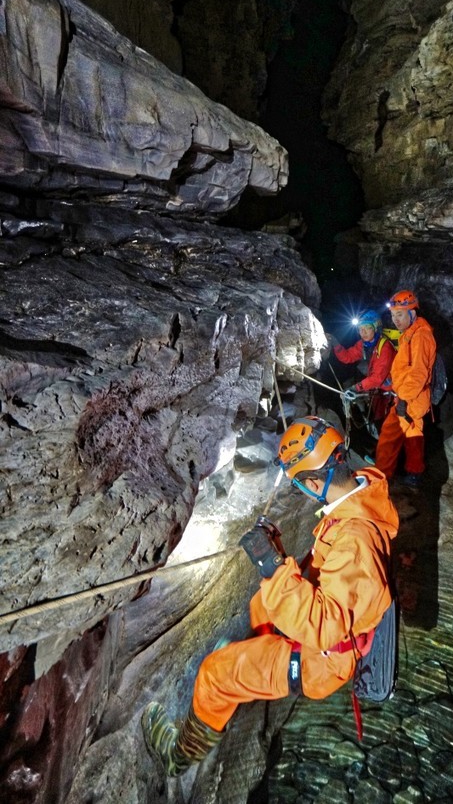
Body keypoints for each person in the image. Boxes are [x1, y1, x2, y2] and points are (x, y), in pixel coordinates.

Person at [141, 416, 399, 776]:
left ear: (312, 481)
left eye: (301, 484)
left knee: (216, 672)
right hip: (326, 630)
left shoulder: (355, 540)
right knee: (260, 606)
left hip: (321, 659)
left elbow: (325, 626)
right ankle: (256, 656)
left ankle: (179, 756)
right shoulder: (359, 498)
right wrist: (277, 555)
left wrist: (271, 566)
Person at [375, 290, 436, 488]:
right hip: (412, 397)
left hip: (410, 397)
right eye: (393, 316)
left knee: (389, 436)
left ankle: (381, 478)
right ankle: (414, 474)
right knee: (413, 436)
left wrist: (403, 399)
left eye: (399, 315)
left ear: (412, 313)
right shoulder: (410, 334)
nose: (395, 320)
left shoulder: (420, 337)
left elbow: (418, 373)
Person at [326, 310, 396, 429]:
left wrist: (356, 388)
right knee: (378, 420)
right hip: (379, 391)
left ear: (375, 328)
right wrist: (336, 344)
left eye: (367, 328)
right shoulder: (364, 344)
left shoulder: (385, 347)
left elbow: (377, 378)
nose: (363, 332)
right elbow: (347, 357)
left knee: (391, 425)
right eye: (360, 328)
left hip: (393, 392)